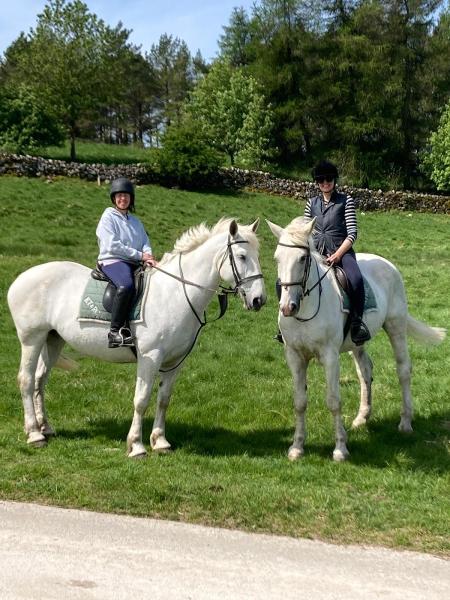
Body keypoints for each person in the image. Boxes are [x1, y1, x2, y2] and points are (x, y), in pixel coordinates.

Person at [304, 160, 371, 345]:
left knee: (356, 279)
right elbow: (304, 231)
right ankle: (285, 324)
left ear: (334, 180)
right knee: (287, 280)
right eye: (321, 180)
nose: (325, 182)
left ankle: (357, 323)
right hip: (316, 253)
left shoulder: (345, 201)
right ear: (317, 182)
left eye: (329, 179)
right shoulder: (311, 204)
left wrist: (338, 255)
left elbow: (352, 233)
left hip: (341, 252)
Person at [96, 177, 157, 348]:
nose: (123, 199)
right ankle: (114, 332)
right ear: (114, 198)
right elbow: (112, 245)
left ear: (131, 199)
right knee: (126, 286)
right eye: (119, 196)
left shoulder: (136, 222)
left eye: (126, 196)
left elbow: (145, 241)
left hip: (134, 261)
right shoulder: (108, 217)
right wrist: (140, 256)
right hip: (112, 260)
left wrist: (149, 257)